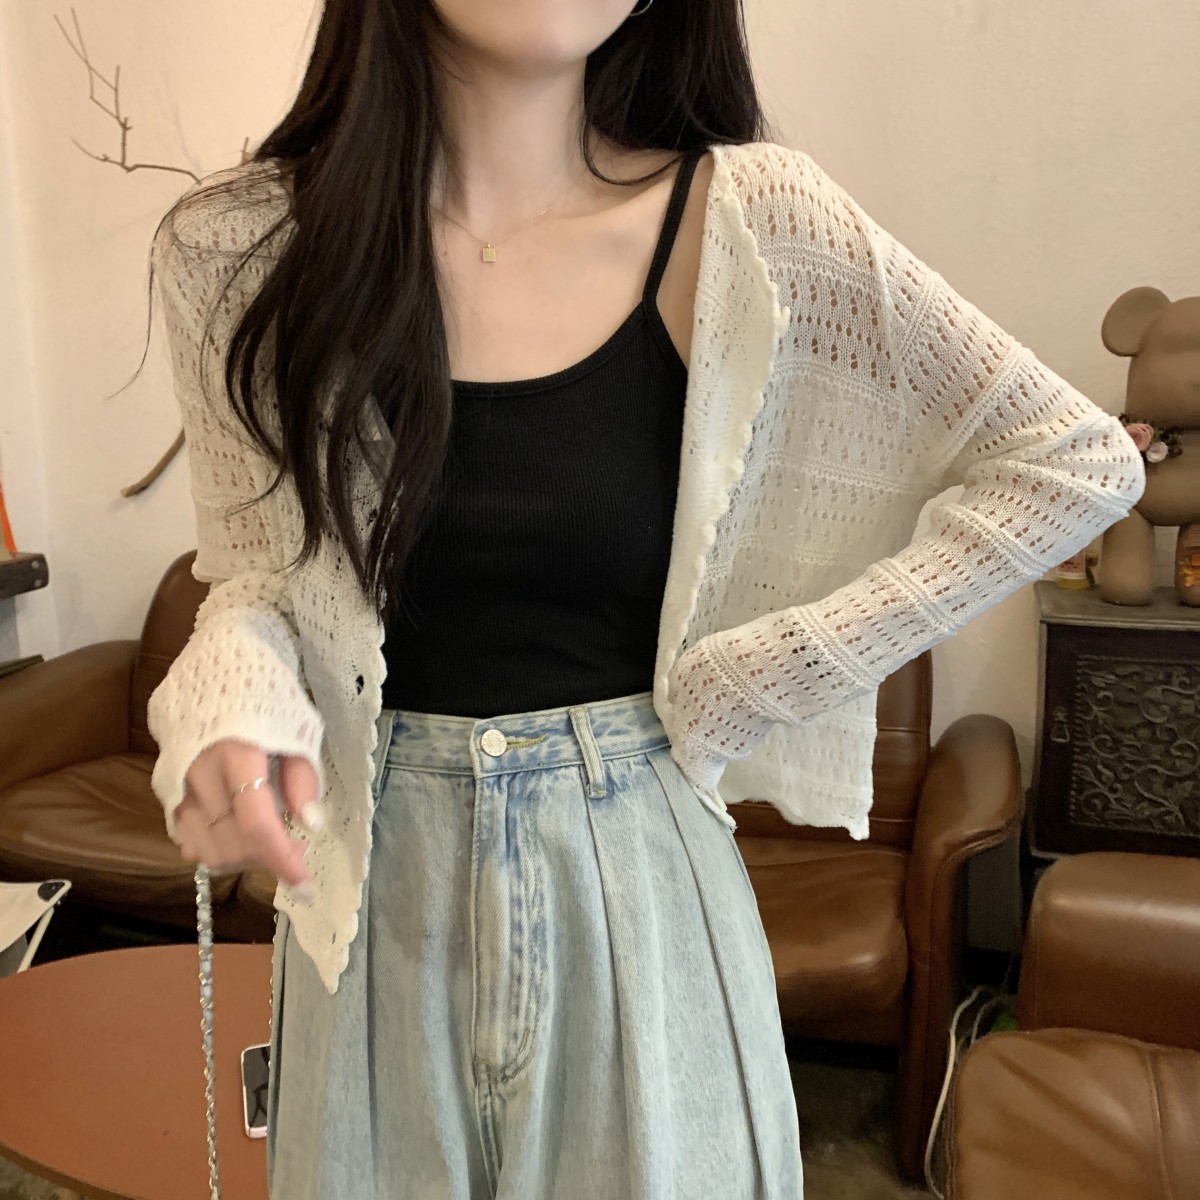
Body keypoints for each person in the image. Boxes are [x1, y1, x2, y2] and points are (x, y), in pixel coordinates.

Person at [143, 1, 1146, 1197]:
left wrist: (776, 665)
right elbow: (258, 576)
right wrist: (234, 694)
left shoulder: (754, 224)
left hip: (643, 890)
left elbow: (1072, 463)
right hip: (368, 910)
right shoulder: (239, 247)